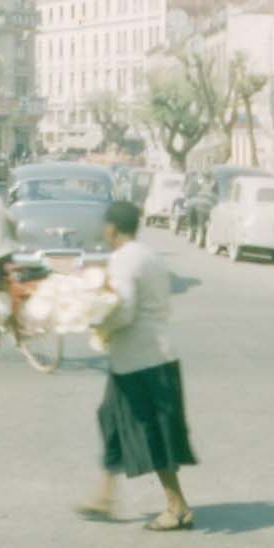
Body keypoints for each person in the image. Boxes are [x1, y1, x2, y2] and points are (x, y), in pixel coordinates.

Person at [77, 201, 198, 531]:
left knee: (152, 432)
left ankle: (177, 506)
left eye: (106, 226)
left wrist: (96, 322)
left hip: (140, 360)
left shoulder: (123, 259)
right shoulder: (150, 255)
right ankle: (104, 494)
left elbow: (125, 310)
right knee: (111, 417)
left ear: (112, 228)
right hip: (148, 354)